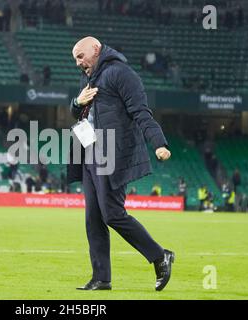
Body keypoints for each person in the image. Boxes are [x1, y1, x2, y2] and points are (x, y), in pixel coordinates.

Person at [67, 37, 174, 292]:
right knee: (93, 218)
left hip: (111, 153)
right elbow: (80, 113)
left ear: (96, 49)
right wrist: (76, 103)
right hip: (89, 153)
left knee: (112, 214)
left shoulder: (121, 74)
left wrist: (159, 143)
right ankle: (101, 278)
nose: (78, 63)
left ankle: (160, 256)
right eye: (75, 59)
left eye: (80, 56)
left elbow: (141, 111)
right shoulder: (89, 77)